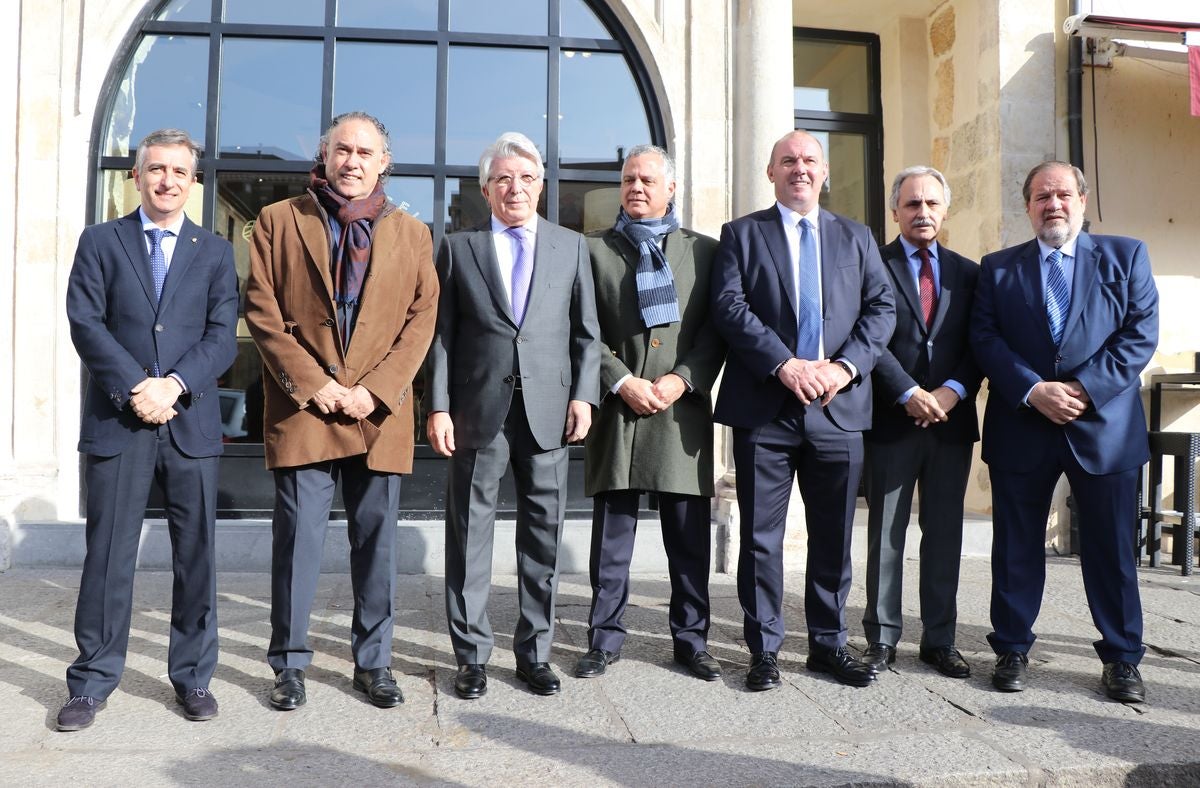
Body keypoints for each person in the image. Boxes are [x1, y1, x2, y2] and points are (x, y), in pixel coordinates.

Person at [245, 111, 438, 711]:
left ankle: (373, 663)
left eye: (365, 152)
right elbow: (261, 310)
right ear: (325, 155)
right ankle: (289, 666)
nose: (352, 161)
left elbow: (420, 320)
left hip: (377, 414)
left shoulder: (413, 233)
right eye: (342, 150)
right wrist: (314, 383)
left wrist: (373, 391)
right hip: (306, 409)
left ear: (384, 163)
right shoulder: (278, 222)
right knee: (298, 542)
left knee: (376, 546)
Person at [59, 128, 239, 730]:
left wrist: (174, 385)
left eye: (178, 172)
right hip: (119, 420)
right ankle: (91, 680)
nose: (167, 181)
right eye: (156, 169)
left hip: (189, 422)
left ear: (192, 182)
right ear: (136, 176)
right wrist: (137, 386)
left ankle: (193, 677)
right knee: (108, 556)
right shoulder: (101, 241)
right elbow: (85, 320)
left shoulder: (214, 252)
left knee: (197, 557)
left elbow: (222, 336)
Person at [710, 130, 894, 690]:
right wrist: (785, 364)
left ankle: (828, 644)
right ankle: (763, 649)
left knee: (834, 535)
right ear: (771, 172)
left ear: (825, 171)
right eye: (787, 160)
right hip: (767, 408)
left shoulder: (857, 238)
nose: (799, 169)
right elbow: (729, 305)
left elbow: (881, 309)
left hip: (838, 410)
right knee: (761, 538)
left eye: (809, 160)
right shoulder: (742, 234)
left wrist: (842, 369)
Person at [970, 161, 1157, 702]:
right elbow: (985, 338)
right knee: (1015, 546)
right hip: (1022, 422)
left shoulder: (1127, 256)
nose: (1053, 204)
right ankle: (1010, 646)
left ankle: (1122, 657)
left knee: (1112, 548)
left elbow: (1139, 334)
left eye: (1062, 195)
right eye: (1040, 197)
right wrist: (1033, 390)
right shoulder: (998, 268)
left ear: (1082, 199)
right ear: (1027, 207)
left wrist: (1079, 390)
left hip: (1104, 427)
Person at [425, 131, 601, 699]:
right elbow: (442, 337)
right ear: (485, 188)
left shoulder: (570, 247)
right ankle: (472, 656)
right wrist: (440, 406)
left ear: (541, 187)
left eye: (526, 179)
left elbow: (587, 334)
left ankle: (535, 653)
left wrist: (584, 395)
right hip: (478, 411)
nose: (515, 188)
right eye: (503, 179)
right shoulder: (457, 247)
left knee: (543, 537)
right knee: (470, 534)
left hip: (549, 412)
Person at [576, 145, 727, 682]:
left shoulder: (705, 252)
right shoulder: (591, 252)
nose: (636, 188)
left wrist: (681, 378)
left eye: (646, 180)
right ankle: (604, 638)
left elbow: (715, 330)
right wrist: (620, 379)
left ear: (671, 190)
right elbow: (584, 330)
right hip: (620, 410)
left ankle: (691, 640)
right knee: (612, 539)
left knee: (687, 539)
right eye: (628, 180)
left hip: (680, 412)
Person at [859, 167, 981, 679]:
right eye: (912, 204)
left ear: (945, 210)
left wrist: (951, 392)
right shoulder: (871, 264)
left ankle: (940, 639)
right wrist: (907, 391)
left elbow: (982, 343)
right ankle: (882, 637)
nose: (922, 212)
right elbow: (864, 336)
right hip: (892, 419)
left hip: (950, 425)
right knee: (885, 533)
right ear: (895, 211)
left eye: (932, 203)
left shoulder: (970, 273)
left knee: (945, 533)